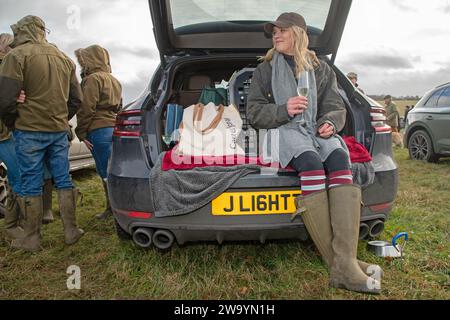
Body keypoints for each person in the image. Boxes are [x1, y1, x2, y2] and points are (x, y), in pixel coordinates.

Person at [247, 12, 381, 294]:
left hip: (316, 130)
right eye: (274, 32)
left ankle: (345, 264)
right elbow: (254, 113)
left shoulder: (320, 68)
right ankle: (344, 265)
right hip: (282, 131)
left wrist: (329, 123)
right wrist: (284, 110)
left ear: (298, 33)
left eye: (282, 30)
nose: (276, 35)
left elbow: (335, 106)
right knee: (311, 164)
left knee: (339, 157)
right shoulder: (265, 69)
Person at [0, 16, 84, 252]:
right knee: (63, 178)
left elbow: (5, 101)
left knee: (30, 182)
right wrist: (59, 119)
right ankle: (71, 231)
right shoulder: (64, 59)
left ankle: (32, 238)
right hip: (58, 131)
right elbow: (76, 100)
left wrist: (15, 122)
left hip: (27, 131)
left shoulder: (15, 56)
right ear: (41, 31)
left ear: (21, 31)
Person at [75, 45, 122, 219]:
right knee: (114, 170)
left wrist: (82, 133)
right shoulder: (114, 80)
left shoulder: (92, 79)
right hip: (113, 128)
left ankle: (112, 210)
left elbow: (86, 108)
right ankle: (118, 208)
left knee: (104, 173)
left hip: (98, 130)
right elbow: (119, 107)